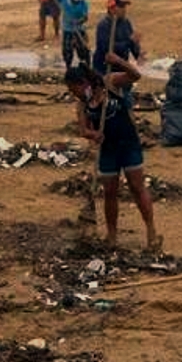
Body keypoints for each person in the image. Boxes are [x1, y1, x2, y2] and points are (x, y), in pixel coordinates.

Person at [65, 58, 159, 250]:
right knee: (109, 193)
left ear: (83, 83)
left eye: (72, 88)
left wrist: (118, 61)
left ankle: (151, 232)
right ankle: (112, 235)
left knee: (136, 187)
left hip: (128, 144)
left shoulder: (110, 82)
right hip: (108, 150)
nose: (72, 93)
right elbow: (83, 130)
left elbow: (135, 76)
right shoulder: (82, 105)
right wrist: (94, 134)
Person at [92, 0, 141, 76]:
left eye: (124, 6)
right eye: (121, 7)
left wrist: (137, 50)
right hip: (104, 68)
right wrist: (129, 42)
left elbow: (132, 45)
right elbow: (107, 48)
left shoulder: (126, 22)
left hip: (121, 66)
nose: (124, 9)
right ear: (111, 9)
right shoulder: (104, 25)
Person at [55, 0, 90, 68]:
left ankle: (87, 67)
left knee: (83, 50)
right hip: (67, 30)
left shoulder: (83, 3)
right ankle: (68, 68)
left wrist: (78, 22)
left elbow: (85, 17)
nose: (77, 1)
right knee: (67, 51)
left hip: (79, 30)